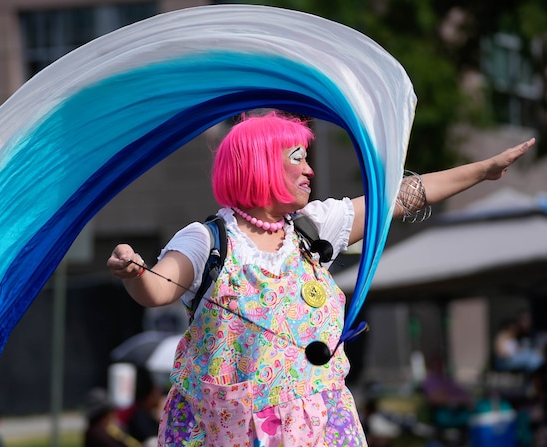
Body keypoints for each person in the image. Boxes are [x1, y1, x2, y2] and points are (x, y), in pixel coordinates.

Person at [107, 111, 534, 446]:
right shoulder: (208, 239)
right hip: (227, 429)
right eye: (298, 158)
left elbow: (400, 197)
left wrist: (482, 171)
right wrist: (132, 270)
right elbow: (157, 288)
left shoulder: (313, 228)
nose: (309, 169)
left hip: (320, 425)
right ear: (259, 165)